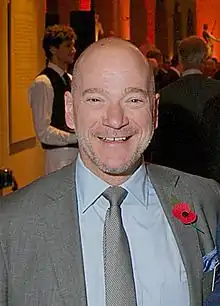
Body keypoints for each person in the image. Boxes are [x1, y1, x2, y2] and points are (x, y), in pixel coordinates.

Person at [0, 37, 219, 306]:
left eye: (134, 99)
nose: (115, 120)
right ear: (70, 110)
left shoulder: (206, 199)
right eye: (95, 99)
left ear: (154, 110)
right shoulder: (10, 224)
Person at [146, 36, 220, 178]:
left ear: (180, 58)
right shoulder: (217, 90)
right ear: (205, 57)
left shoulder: (164, 95)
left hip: (176, 176)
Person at [29, 24, 78, 175]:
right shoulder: (43, 83)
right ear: (53, 49)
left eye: (73, 46)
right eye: (68, 46)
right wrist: (75, 138)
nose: (73, 51)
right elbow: (44, 131)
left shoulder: (70, 79)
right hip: (58, 157)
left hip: (76, 155)